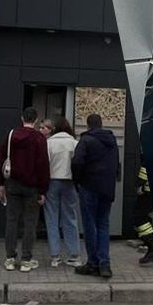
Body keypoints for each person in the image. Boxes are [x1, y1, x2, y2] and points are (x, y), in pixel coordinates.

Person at [0, 107, 50, 272]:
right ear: (35, 120)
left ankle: (10, 258)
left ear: (22, 118)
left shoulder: (11, 135)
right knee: (30, 223)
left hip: (12, 183)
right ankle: (26, 260)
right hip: (32, 186)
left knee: (12, 221)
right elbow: (43, 165)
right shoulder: (39, 138)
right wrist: (43, 190)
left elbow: (2, 159)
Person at [71, 113, 119, 279]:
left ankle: (92, 263)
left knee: (90, 225)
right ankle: (104, 264)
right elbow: (116, 166)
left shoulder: (85, 140)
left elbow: (77, 162)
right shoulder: (112, 142)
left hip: (89, 187)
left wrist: (77, 181)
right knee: (103, 224)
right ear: (101, 123)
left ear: (88, 125)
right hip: (107, 188)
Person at [41, 116, 82, 268]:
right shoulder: (75, 143)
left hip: (52, 182)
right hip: (69, 182)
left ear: (55, 128)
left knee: (51, 217)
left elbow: (44, 165)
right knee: (70, 217)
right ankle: (74, 255)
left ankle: (55, 256)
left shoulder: (48, 143)